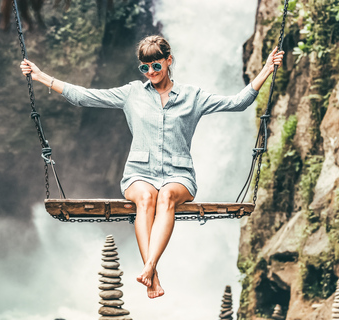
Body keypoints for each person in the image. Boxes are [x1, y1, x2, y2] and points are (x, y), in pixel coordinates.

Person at [20, 35, 284, 299]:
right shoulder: (132, 93)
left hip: (179, 175)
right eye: (144, 68)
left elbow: (238, 103)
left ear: (169, 61)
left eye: (156, 66)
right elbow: (84, 97)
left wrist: (266, 69)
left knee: (166, 195)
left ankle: (148, 267)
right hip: (138, 173)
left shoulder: (193, 97)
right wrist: (41, 76)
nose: (151, 73)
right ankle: (152, 273)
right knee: (146, 198)